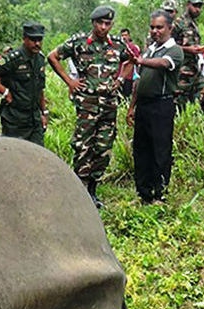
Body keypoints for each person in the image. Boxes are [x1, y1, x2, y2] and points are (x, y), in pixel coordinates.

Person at [48, 5, 134, 207]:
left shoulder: (118, 45)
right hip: (87, 104)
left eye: (108, 23)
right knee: (83, 146)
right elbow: (52, 56)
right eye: (100, 23)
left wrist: (120, 79)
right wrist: (70, 81)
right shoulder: (79, 43)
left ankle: (93, 191)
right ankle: (80, 190)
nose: (104, 27)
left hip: (109, 104)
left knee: (103, 146)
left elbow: (131, 59)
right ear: (93, 23)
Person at [126, 10, 182, 204]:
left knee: (160, 150)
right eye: (152, 27)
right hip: (144, 105)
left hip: (161, 105)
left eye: (159, 27)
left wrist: (141, 60)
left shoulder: (174, 50)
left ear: (169, 28)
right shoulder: (150, 49)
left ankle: (160, 194)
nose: (155, 31)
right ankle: (144, 193)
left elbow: (163, 64)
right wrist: (132, 107)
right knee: (141, 149)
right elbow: (138, 81)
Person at [0, 23, 48, 145]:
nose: (37, 44)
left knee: (38, 154)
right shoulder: (13, 58)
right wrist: (4, 91)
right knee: (14, 156)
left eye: (39, 40)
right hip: (15, 118)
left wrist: (44, 113)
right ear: (24, 39)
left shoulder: (40, 59)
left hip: (34, 118)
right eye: (33, 40)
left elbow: (40, 89)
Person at [172, 0, 204, 112]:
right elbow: (168, 45)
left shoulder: (194, 24)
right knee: (179, 104)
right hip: (181, 71)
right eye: (195, 6)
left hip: (194, 69)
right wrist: (188, 49)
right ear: (188, 5)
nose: (198, 9)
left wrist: (198, 49)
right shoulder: (178, 23)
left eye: (200, 7)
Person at [119, 28, 140, 99]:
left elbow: (136, 60)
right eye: (122, 35)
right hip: (117, 76)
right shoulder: (117, 46)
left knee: (126, 97)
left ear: (129, 36)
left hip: (128, 76)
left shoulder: (133, 47)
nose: (124, 37)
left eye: (125, 35)